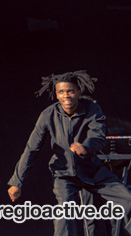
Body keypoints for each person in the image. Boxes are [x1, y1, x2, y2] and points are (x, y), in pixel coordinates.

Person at [7, 70, 131, 236]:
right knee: (65, 213)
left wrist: (85, 147)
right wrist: (17, 181)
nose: (66, 96)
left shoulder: (92, 109)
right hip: (64, 174)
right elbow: (31, 149)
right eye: (61, 92)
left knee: (127, 200)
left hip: (92, 171)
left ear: (79, 92)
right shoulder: (48, 115)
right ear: (56, 95)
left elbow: (98, 136)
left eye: (70, 91)